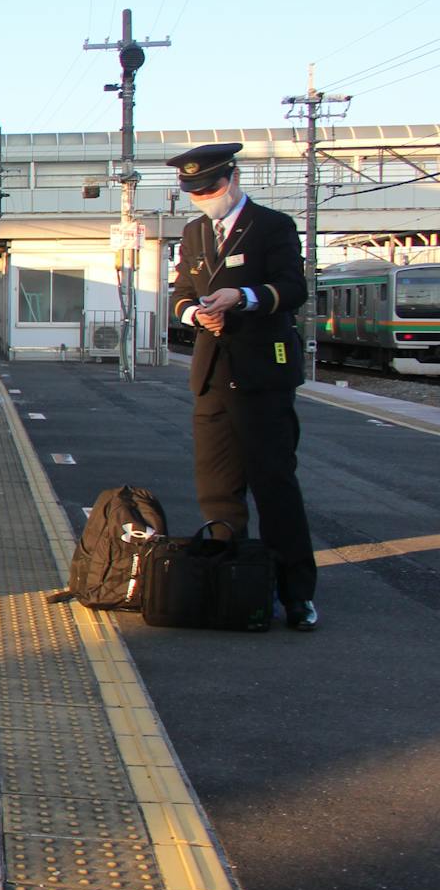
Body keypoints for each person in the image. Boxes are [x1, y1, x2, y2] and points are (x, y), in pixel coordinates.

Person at [167, 143, 318, 630]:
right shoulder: (193, 233)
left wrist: (243, 297)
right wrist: (195, 313)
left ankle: (296, 593)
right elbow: (181, 295)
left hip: (262, 374)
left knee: (274, 483)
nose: (203, 198)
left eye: (210, 188)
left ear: (232, 179)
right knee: (216, 486)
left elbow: (294, 288)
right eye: (194, 192)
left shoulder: (272, 226)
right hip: (211, 373)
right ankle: (233, 582)